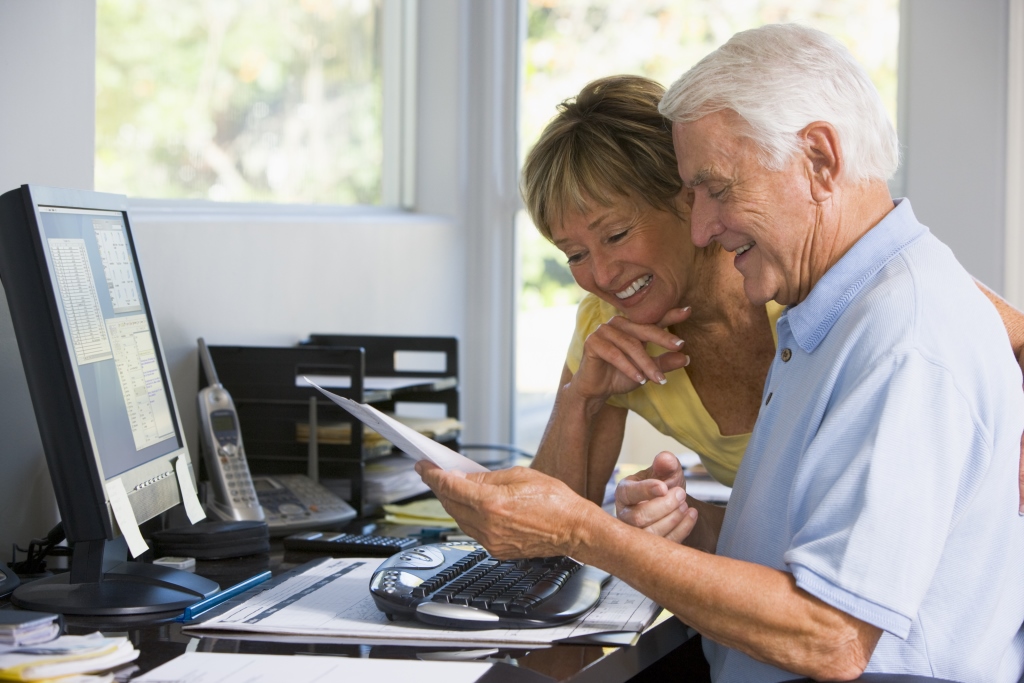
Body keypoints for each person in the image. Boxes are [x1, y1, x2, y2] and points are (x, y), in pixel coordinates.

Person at [419, 24, 1024, 682]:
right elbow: (807, 537)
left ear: (820, 160)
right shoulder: (818, 307)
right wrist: (696, 523)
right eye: (573, 253)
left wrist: (589, 533)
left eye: (716, 189)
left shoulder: (899, 331)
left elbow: (832, 637)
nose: (705, 225)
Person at [522, 74, 1024, 511]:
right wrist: (579, 400)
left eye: (615, 235)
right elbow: (546, 527)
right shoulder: (605, 329)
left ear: (687, 194)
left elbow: (1007, 333)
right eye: (574, 254)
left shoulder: (795, 268)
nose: (603, 275)